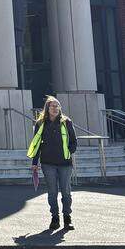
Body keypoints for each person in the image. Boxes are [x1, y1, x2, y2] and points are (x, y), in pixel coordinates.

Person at [28, 95, 79, 230]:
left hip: (65, 164)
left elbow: (74, 141)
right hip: (48, 163)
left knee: (66, 192)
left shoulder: (66, 121)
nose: (55, 108)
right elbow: (37, 144)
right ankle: (54, 218)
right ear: (47, 108)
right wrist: (35, 162)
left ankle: (67, 218)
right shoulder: (40, 123)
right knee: (52, 192)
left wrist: (70, 151)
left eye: (57, 106)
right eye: (53, 106)